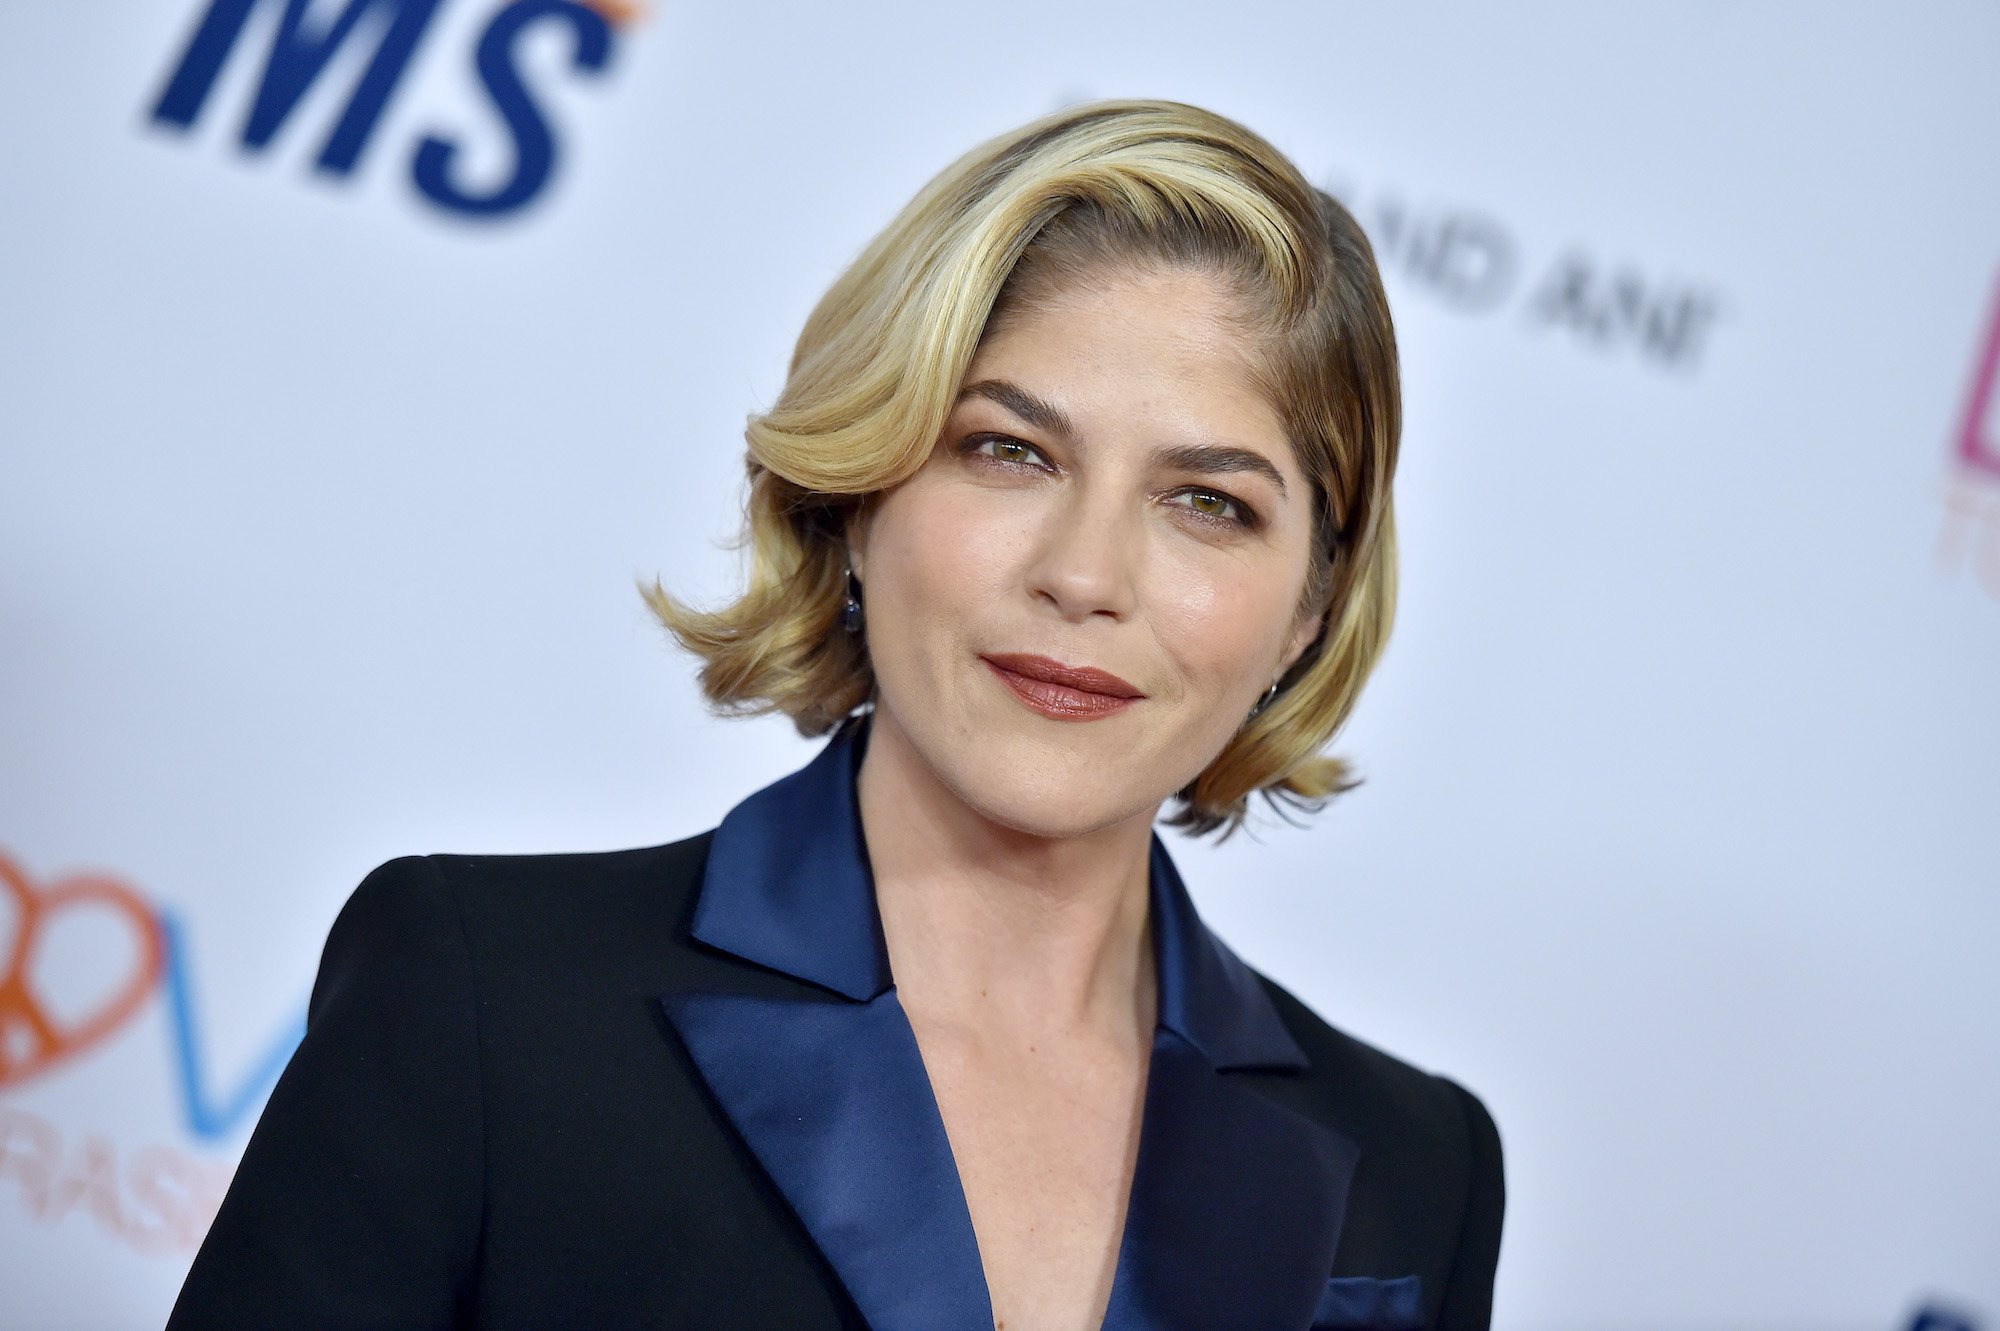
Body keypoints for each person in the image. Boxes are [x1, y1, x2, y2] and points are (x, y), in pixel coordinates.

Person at [168, 99, 1503, 1331]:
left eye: (1209, 503)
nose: (1086, 576)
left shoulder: (1421, 1167)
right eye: (1010, 451)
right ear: (859, 496)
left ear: (1311, 606)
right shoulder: (485, 1001)